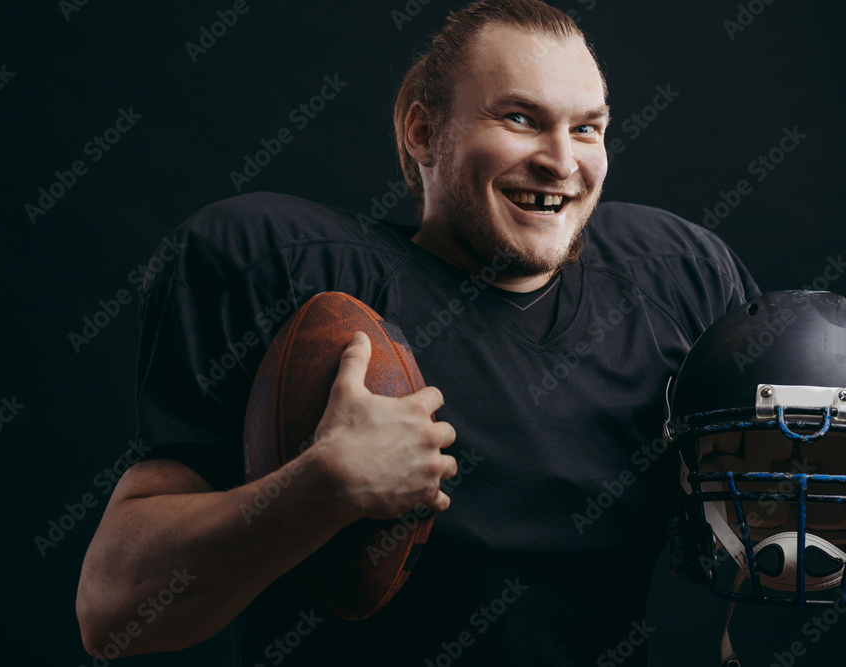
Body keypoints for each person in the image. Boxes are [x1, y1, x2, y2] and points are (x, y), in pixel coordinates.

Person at [76, 1, 759, 664]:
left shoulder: (679, 282)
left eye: (587, 128)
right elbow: (110, 613)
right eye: (521, 118)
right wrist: (314, 491)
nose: (561, 161)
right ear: (423, 132)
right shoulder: (282, 270)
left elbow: (778, 517)